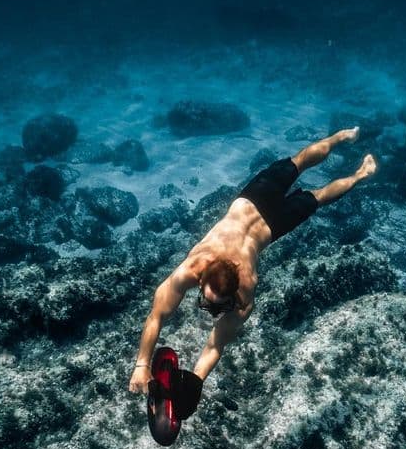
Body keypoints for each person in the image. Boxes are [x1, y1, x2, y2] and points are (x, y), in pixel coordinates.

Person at [128, 127, 377, 418]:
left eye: (215, 304)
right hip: (257, 209)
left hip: (268, 222)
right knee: (300, 167)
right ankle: (341, 143)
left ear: (232, 292)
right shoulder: (190, 270)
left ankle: (357, 169)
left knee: (316, 190)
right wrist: (143, 366)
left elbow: (215, 344)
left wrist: (194, 381)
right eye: (208, 299)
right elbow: (156, 315)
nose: (209, 305)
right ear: (202, 274)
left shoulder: (246, 293)